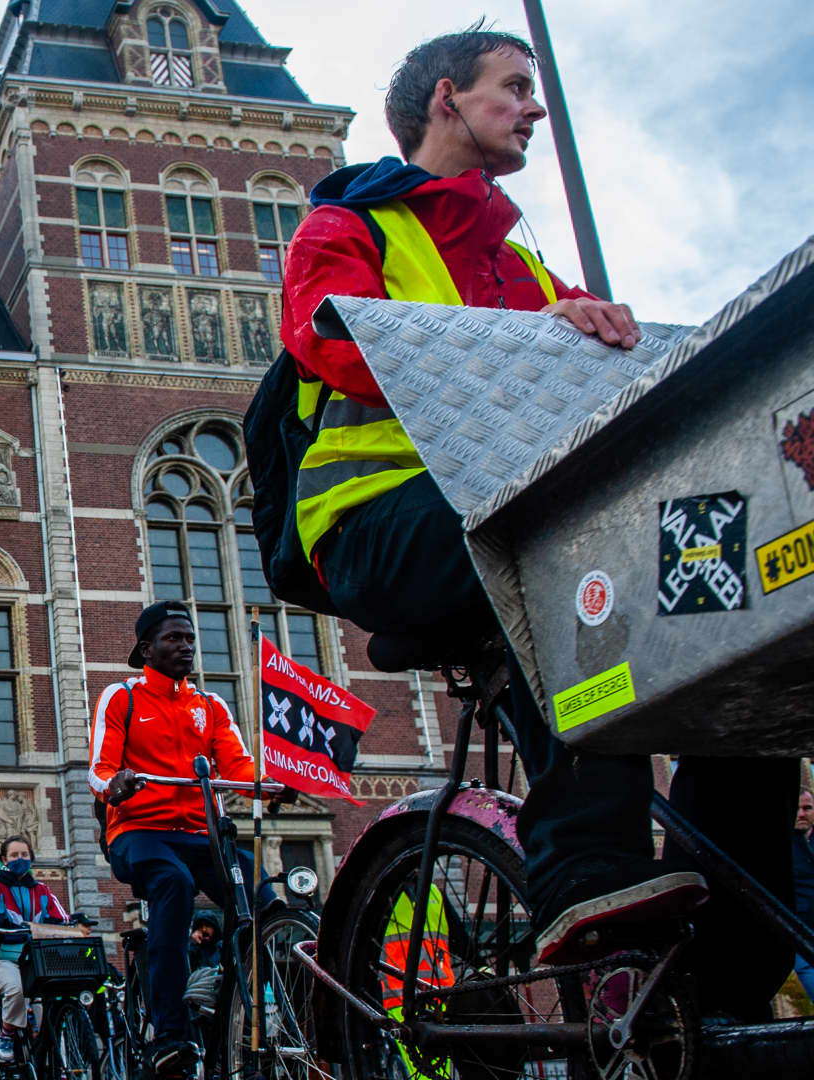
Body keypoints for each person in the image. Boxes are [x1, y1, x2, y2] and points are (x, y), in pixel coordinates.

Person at [280, 24, 801, 1014]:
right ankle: (586, 876)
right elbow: (330, 340)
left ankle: (729, 954)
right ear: (446, 98)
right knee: (549, 554)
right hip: (378, 523)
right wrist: (526, 337)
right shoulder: (347, 227)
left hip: (508, 514)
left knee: (722, 611)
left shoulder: (520, 263)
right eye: (513, 86)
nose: (534, 106)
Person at [92, 601, 280, 1077]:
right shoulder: (122, 697)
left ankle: (252, 997)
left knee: (259, 892)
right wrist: (116, 784)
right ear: (146, 649)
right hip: (138, 831)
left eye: (190, 638)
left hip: (200, 833)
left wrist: (268, 784)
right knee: (173, 883)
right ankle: (169, 1035)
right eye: (173, 638)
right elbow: (100, 768)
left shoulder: (210, 706)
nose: (186, 646)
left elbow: (238, 767)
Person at [0, 834, 70, 1064]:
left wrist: (73, 924)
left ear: (31, 858)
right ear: (4, 860)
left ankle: (58, 1060)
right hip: (4, 958)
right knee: (15, 990)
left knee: (53, 1004)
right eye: (14, 855)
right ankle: (6, 1035)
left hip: (36, 960)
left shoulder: (42, 890)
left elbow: (61, 919)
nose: (20, 859)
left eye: (24, 855)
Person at [794, 789, 814, 1001]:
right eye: (796, 808)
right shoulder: (782, 846)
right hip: (800, 929)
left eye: (807, 808)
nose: (801, 814)